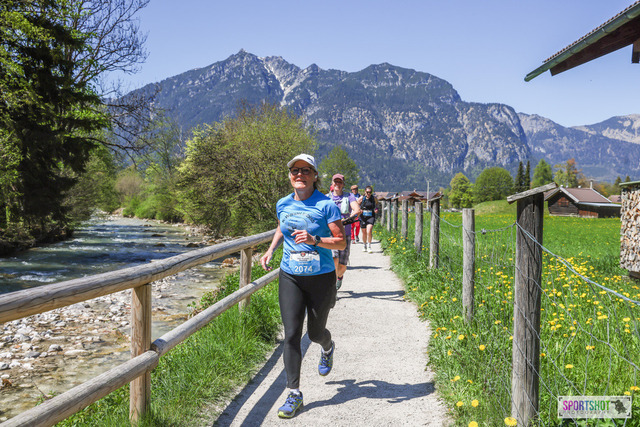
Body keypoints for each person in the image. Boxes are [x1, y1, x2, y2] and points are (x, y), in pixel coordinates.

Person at [260, 153, 346, 419]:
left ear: (315, 176)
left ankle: (327, 346)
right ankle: (294, 393)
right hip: (291, 276)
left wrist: (314, 240)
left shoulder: (326, 205)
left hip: (321, 277)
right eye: (295, 170)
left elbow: (341, 241)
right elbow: (281, 228)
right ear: (289, 176)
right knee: (291, 334)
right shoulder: (282, 203)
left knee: (315, 333)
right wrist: (271, 249)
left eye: (305, 170)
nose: (300, 174)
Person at [327, 174, 361, 291]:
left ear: (343, 184)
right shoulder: (326, 198)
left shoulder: (349, 196)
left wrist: (349, 218)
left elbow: (357, 210)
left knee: (342, 266)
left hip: (344, 233)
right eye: (335, 181)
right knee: (334, 258)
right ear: (332, 183)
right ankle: (332, 289)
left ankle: (339, 277)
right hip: (330, 234)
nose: (337, 184)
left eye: (340, 182)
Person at [359, 186, 378, 253]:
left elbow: (377, 204)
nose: (368, 194)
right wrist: (359, 210)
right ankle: (364, 245)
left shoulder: (374, 198)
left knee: (369, 231)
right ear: (365, 192)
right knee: (364, 232)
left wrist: (376, 209)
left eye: (370, 192)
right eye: (367, 192)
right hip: (363, 217)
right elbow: (356, 205)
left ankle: (369, 246)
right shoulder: (362, 198)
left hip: (371, 216)